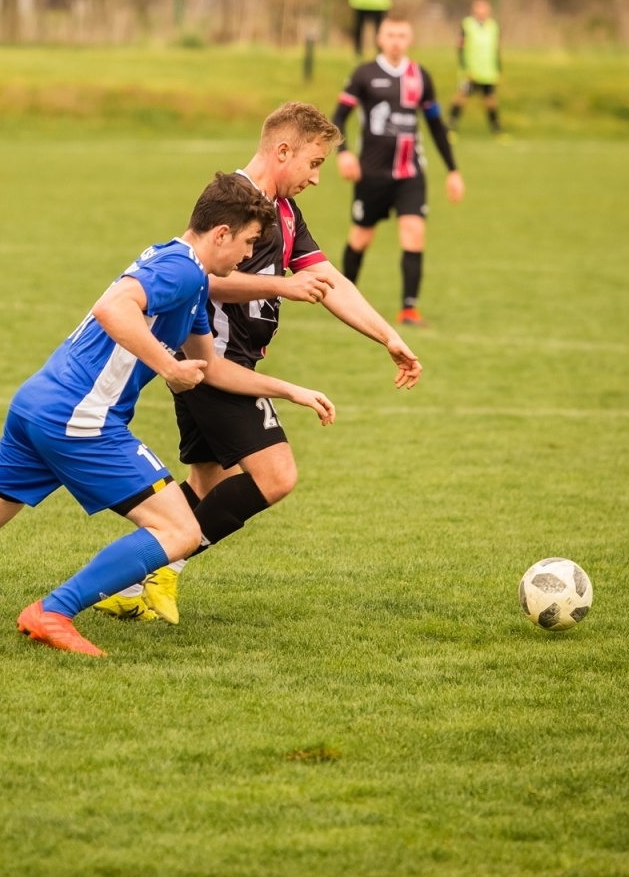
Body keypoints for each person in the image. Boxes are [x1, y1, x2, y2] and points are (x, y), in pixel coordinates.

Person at [0, 173, 337, 658]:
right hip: (80, 417)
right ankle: (53, 611)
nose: (246, 257)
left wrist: (290, 389)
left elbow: (210, 367)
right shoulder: (181, 270)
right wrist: (165, 369)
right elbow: (113, 308)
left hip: (39, 403)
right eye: (245, 244)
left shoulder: (182, 272)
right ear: (221, 234)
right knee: (180, 529)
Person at [93, 102, 422, 624]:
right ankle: (161, 570)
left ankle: (125, 583)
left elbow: (329, 282)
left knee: (207, 484)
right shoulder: (234, 202)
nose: (317, 178)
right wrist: (279, 285)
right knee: (275, 475)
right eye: (313, 164)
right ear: (282, 151)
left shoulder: (284, 214)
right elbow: (195, 274)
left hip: (219, 360)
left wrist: (387, 336)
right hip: (214, 360)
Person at [332, 17, 464, 326]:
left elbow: (435, 126)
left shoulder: (420, 77)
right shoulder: (364, 74)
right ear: (379, 37)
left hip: (410, 173)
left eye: (402, 35)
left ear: (410, 38)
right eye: (390, 34)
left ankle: (409, 309)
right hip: (371, 174)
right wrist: (344, 153)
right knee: (361, 237)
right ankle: (341, 301)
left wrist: (453, 170)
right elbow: (338, 116)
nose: (395, 40)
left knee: (414, 233)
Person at [449, 0, 503, 137]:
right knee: (460, 97)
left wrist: (498, 69)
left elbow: (496, 49)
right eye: (479, 8)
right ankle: (451, 127)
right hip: (470, 71)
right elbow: (460, 48)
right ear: (474, 10)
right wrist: (465, 68)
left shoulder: (493, 26)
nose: (483, 11)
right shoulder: (467, 25)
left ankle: (496, 129)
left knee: (490, 100)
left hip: (487, 71)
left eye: (485, 8)